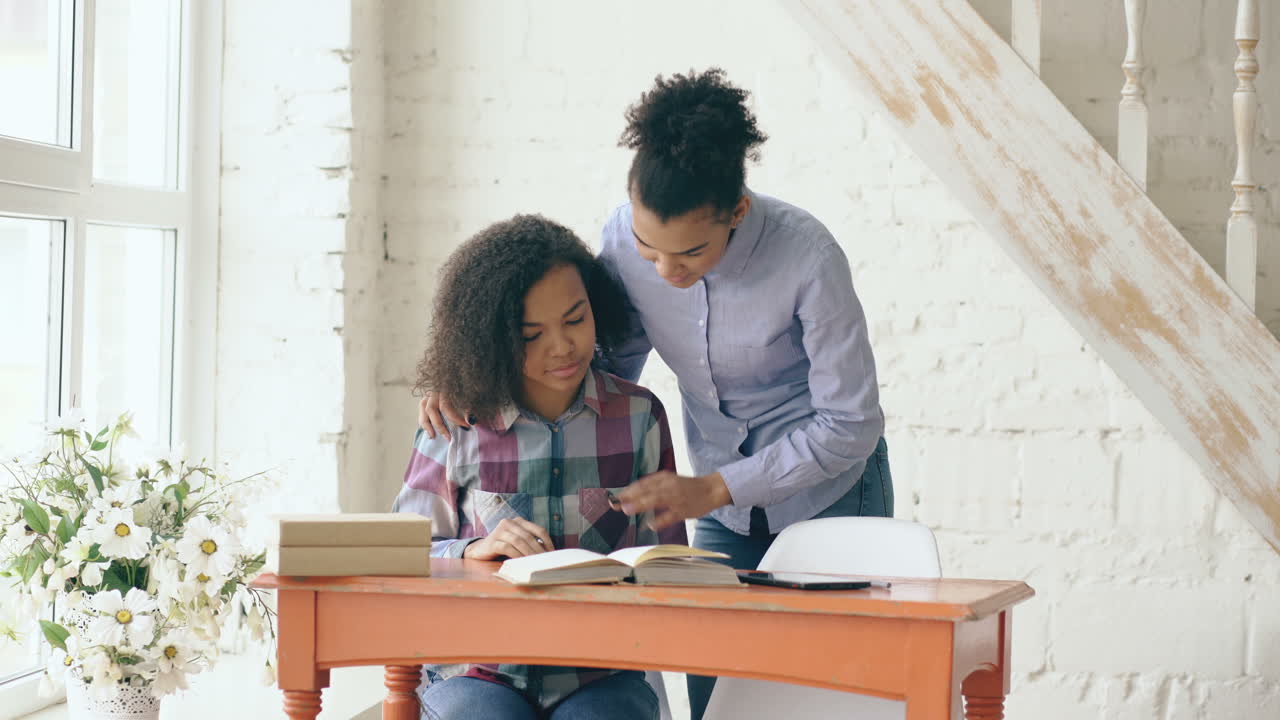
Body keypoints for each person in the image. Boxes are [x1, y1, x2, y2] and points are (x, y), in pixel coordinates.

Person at [419, 70, 892, 719]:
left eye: (691, 252)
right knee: (717, 701)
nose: (666, 271)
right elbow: (598, 369)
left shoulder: (808, 258)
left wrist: (714, 488)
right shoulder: (617, 239)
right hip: (721, 508)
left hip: (829, 491)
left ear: (737, 212)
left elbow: (849, 424)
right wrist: (473, 380)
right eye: (649, 249)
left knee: (827, 699)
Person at [393, 214, 683, 720]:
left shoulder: (641, 418)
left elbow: (669, 559)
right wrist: (475, 549)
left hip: (600, 673)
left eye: (575, 319)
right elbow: (402, 551)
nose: (562, 346)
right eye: (531, 334)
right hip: (476, 671)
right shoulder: (456, 422)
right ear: (490, 338)